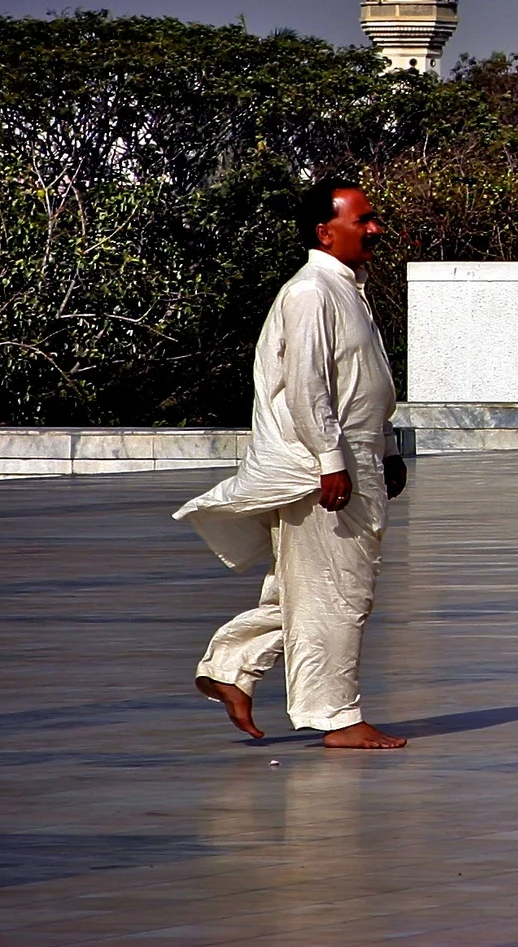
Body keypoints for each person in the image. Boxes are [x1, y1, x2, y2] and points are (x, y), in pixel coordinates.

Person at [176, 183, 408, 749]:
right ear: (326, 232)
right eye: (365, 220)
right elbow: (308, 387)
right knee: (338, 594)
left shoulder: (346, 289)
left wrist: (388, 449)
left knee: (305, 593)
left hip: (354, 461)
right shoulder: (310, 293)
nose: (376, 229)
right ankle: (337, 717)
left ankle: (231, 667)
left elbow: (359, 385)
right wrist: (332, 463)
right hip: (323, 471)